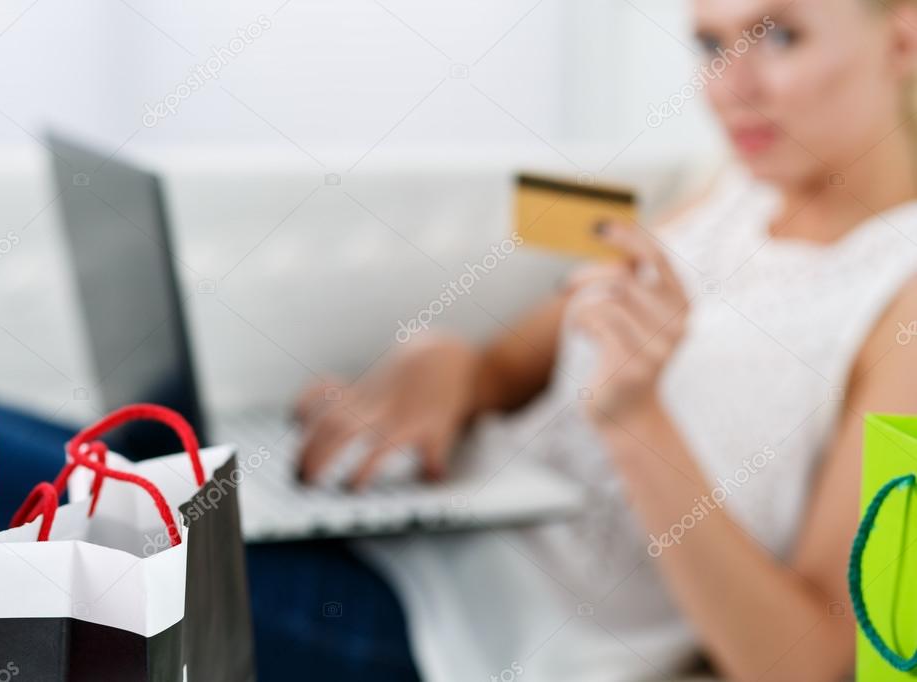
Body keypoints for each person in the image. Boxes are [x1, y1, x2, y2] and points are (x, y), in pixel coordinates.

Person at [284, 0, 917, 680]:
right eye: (709, 45)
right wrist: (439, 361)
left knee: (184, 530)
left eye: (780, 37)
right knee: (179, 447)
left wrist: (635, 419)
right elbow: (512, 364)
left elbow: (813, 663)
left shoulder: (897, 298)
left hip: (485, 630)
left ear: (903, 40)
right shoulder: (733, 194)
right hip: (426, 522)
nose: (730, 89)